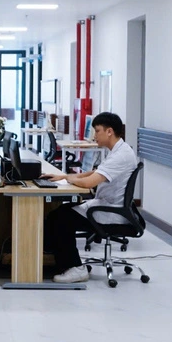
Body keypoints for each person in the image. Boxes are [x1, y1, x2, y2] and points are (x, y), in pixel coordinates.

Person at [40, 112, 138, 284]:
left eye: (97, 131)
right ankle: (57, 260)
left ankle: (76, 268)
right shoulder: (118, 150)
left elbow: (89, 183)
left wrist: (69, 179)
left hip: (111, 212)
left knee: (61, 218)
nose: (94, 136)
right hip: (106, 205)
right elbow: (95, 172)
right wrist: (64, 176)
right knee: (58, 213)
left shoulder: (121, 155)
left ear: (109, 131)